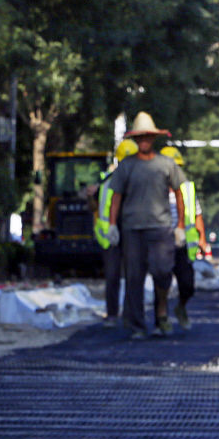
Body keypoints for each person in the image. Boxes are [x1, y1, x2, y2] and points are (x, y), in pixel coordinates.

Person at [108, 112, 184, 339]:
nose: (144, 141)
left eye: (147, 137)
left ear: (153, 138)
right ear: (135, 139)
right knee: (134, 278)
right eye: (140, 137)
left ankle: (161, 312)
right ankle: (137, 325)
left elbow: (179, 193)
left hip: (160, 228)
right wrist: (112, 225)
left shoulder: (166, 164)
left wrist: (180, 225)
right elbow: (116, 196)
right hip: (132, 229)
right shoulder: (127, 166)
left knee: (162, 271)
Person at [92, 138, 138, 326]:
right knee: (112, 276)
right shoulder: (107, 182)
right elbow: (96, 206)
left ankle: (131, 313)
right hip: (112, 237)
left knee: (133, 276)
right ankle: (112, 313)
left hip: (132, 234)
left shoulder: (140, 183)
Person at [160, 146, 205, 330]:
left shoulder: (187, 189)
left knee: (187, 284)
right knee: (161, 281)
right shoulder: (155, 187)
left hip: (181, 243)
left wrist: (202, 240)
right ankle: (161, 318)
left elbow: (197, 215)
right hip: (161, 242)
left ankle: (181, 306)